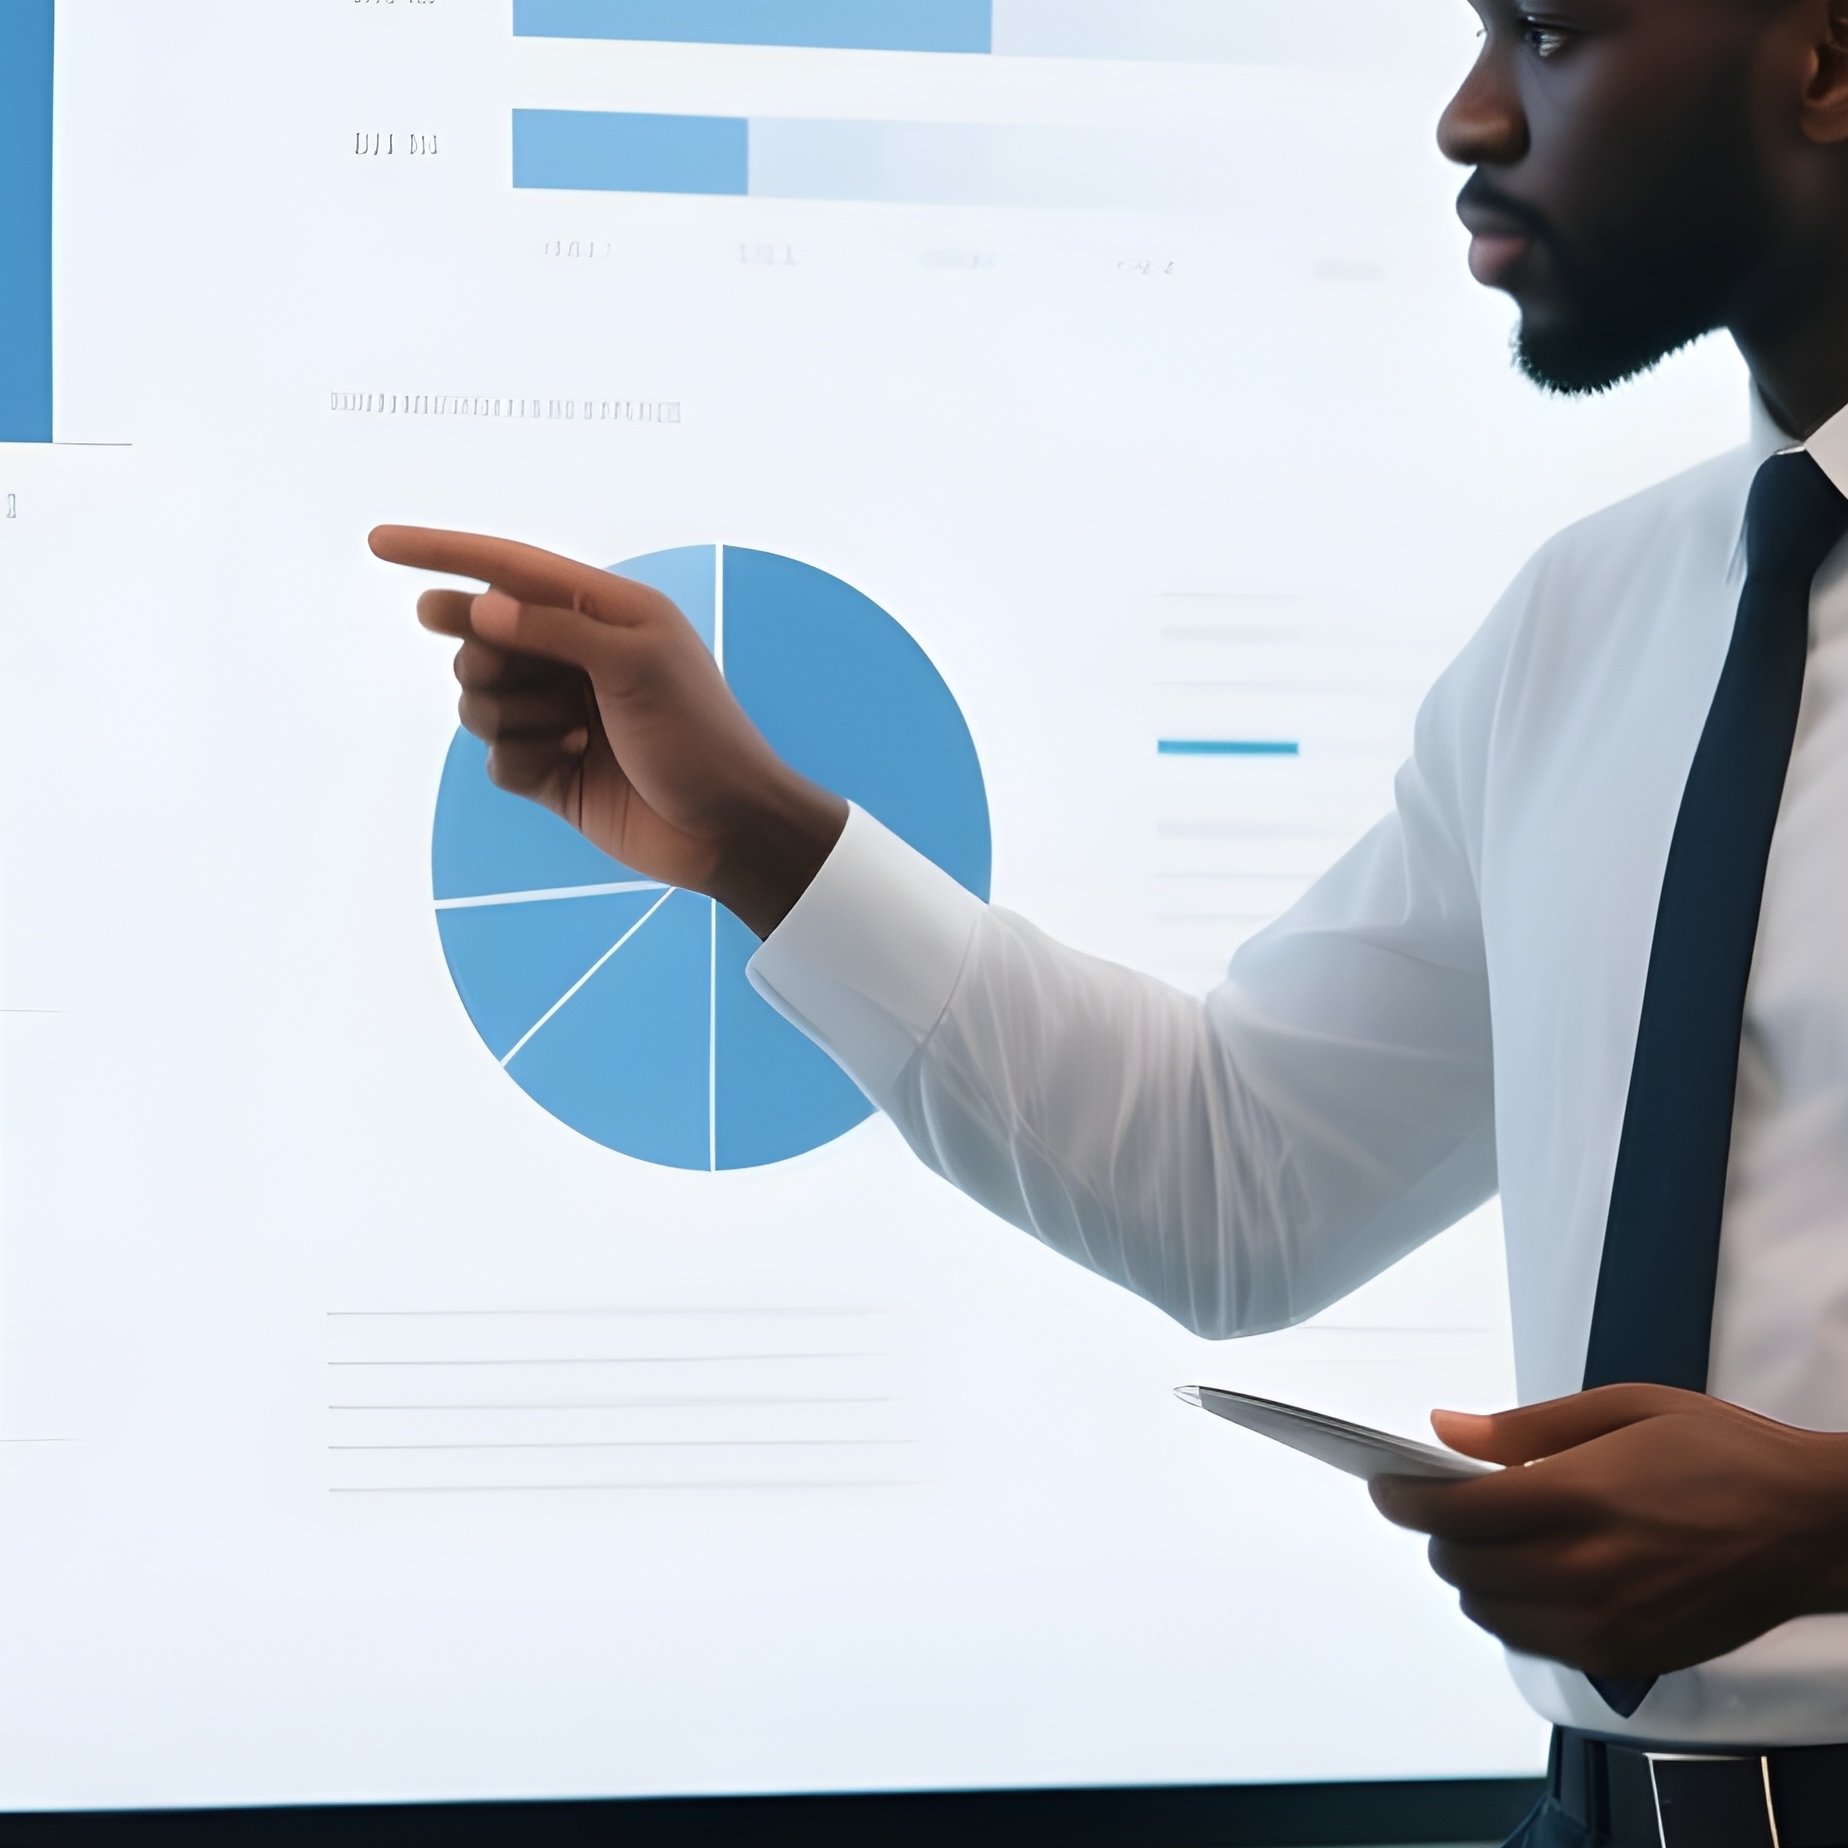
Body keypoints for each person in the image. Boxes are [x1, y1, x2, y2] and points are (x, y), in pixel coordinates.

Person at [371, 2, 1848, 1841]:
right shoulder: (1588, 622)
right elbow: (1244, 1182)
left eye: (1549, 30)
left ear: (1824, 62)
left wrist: (1828, 1523)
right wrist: (758, 839)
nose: (1471, 115)